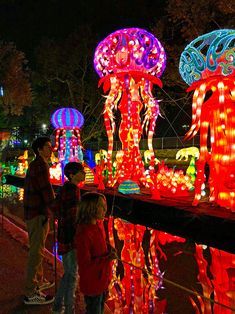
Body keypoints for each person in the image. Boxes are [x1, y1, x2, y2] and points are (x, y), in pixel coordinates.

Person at [23, 136, 55, 305]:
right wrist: (56, 210)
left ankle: (38, 280)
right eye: (48, 147)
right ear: (40, 149)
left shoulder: (36, 164)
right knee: (36, 251)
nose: (51, 149)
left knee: (39, 248)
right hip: (37, 214)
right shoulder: (41, 166)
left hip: (33, 212)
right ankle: (30, 292)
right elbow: (46, 191)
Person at [74, 192, 117, 314]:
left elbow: (99, 246)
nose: (105, 210)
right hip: (93, 285)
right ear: (90, 209)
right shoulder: (84, 234)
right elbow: (85, 264)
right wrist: (107, 259)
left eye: (105, 206)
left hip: (101, 282)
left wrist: (108, 249)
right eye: (101, 206)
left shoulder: (96, 226)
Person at [52, 162, 85, 314]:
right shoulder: (73, 191)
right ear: (72, 175)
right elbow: (73, 216)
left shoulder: (65, 188)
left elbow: (58, 211)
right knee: (72, 275)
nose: (84, 173)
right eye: (81, 171)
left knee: (68, 273)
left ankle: (58, 306)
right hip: (70, 237)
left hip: (63, 235)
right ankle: (69, 310)